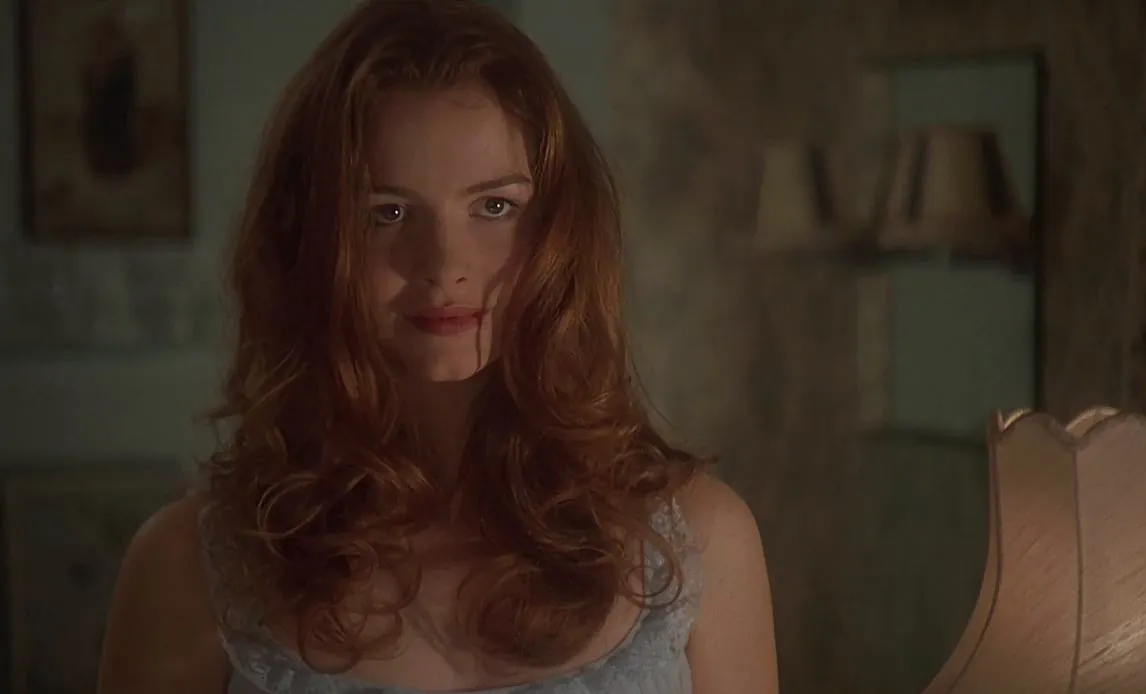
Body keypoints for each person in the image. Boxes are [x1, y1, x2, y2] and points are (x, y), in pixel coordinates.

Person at [96, 1, 776, 693]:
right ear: (308, 238)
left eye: (494, 207)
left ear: (561, 232)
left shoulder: (697, 542)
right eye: (388, 213)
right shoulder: (191, 568)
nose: (445, 264)